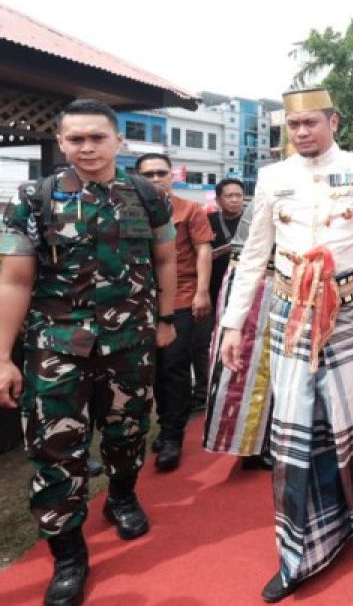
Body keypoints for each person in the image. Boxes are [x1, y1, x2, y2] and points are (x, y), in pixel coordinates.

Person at [0, 99, 177, 606]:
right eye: (75, 139)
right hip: (56, 345)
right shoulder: (34, 197)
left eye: (97, 137)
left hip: (129, 342)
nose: (86, 148)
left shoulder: (147, 195)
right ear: (62, 142)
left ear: (119, 141)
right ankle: (68, 555)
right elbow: (15, 279)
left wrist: (164, 320)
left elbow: (165, 258)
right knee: (55, 451)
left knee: (128, 431)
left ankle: (121, 496)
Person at [219, 88, 353, 603]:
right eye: (293, 127)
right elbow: (254, 256)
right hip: (291, 311)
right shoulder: (273, 178)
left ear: (333, 121)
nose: (301, 134)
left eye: (311, 124)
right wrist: (234, 326)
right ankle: (299, 550)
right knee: (297, 423)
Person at [135, 154, 213, 472]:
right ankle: (165, 423)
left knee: (174, 368)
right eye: (148, 174)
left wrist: (202, 291)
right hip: (139, 302)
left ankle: (172, 436)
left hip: (180, 298)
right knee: (150, 372)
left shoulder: (189, 209)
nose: (155, 179)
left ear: (172, 176)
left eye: (161, 173)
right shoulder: (127, 210)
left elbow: (203, 250)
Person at [203, 176, 275, 471]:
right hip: (256, 291)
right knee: (246, 366)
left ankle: (265, 442)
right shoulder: (264, 204)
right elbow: (244, 262)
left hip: (285, 291)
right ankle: (249, 446)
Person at [204, 177, 248, 408]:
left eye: (238, 195)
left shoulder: (251, 220)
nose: (234, 200)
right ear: (219, 199)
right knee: (212, 338)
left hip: (244, 288)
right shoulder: (208, 220)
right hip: (213, 287)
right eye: (229, 196)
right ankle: (209, 386)